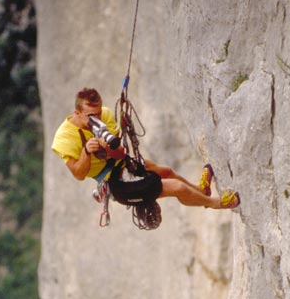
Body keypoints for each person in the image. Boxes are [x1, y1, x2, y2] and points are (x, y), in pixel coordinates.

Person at [51, 87, 240, 211]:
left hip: (122, 164)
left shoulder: (105, 115)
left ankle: (201, 190)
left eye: (99, 114)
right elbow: (78, 174)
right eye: (91, 116)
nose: (98, 119)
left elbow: (121, 153)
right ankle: (215, 203)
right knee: (177, 187)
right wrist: (86, 151)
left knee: (166, 171)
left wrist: (109, 148)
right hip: (115, 183)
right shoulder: (64, 138)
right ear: (77, 113)